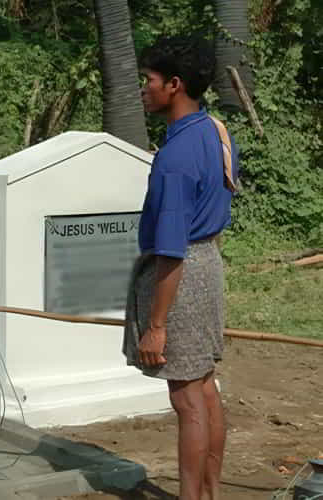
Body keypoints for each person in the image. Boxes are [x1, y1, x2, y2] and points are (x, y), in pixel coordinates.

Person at [123, 35, 239, 500]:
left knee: (187, 399)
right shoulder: (215, 130)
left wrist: (156, 326)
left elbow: (171, 249)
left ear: (174, 85)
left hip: (181, 277)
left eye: (148, 81)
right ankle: (209, 494)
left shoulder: (173, 159)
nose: (143, 89)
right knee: (205, 388)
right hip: (208, 263)